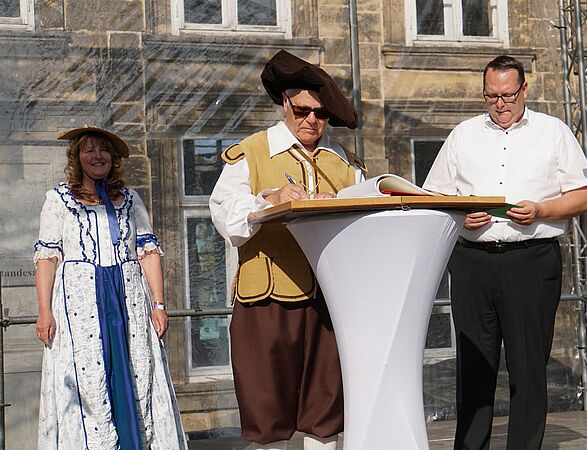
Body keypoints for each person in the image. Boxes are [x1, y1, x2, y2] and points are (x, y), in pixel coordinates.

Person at [423, 55, 587, 450]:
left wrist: (542, 210)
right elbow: (433, 197)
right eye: (491, 96)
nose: (500, 104)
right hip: (472, 261)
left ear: (524, 90)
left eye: (508, 95)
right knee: (474, 368)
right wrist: (460, 214)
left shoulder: (553, 132)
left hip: (531, 261)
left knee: (528, 367)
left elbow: (585, 196)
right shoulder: (463, 135)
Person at [209, 50, 364, 450]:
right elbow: (224, 213)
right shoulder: (252, 151)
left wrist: (344, 204)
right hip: (266, 299)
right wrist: (269, 199)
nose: (311, 120)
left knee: (325, 413)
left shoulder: (344, 161)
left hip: (328, 300)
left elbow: (365, 224)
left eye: (321, 113)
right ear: (284, 103)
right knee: (266, 415)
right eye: (302, 110)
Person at [34, 126, 187, 450]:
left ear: (113, 158)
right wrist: (44, 312)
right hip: (81, 305)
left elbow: (147, 252)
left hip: (127, 300)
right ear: (77, 157)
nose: (97, 156)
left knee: (136, 370)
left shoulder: (130, 200)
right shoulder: (59, 200)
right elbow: (47, 258)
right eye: (89, 150)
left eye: (103, 150)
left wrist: (159, 304)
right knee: (89, 381)